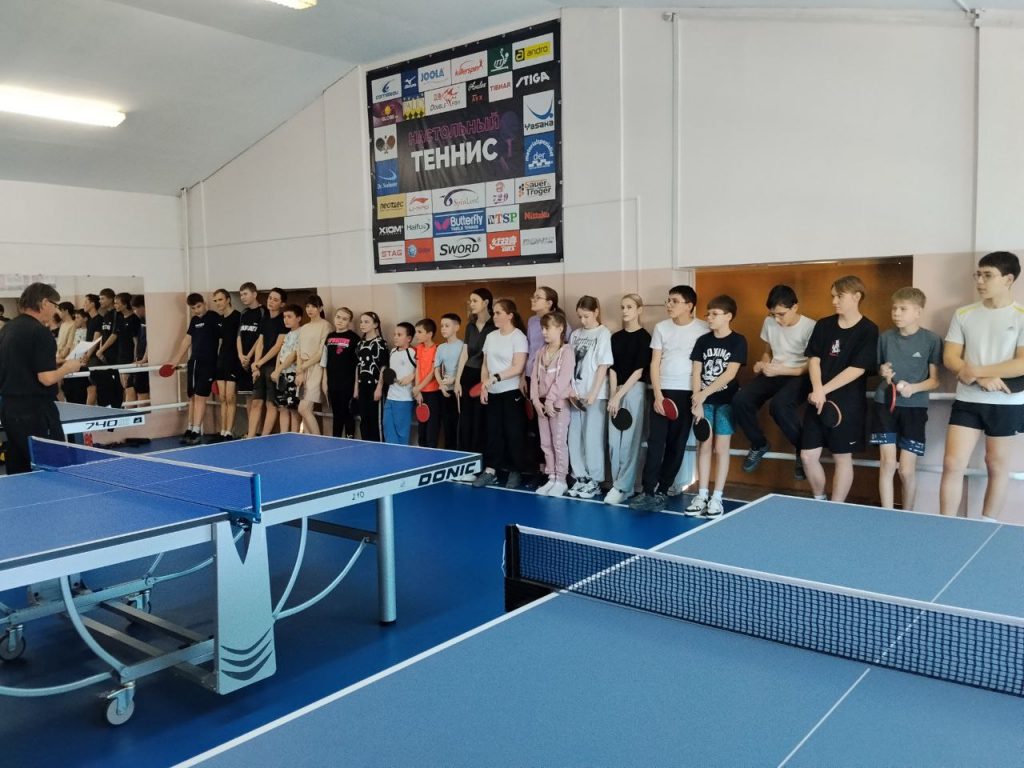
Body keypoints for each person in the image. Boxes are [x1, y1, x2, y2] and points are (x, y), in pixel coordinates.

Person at [940, 251, 1024, 520]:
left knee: (996, 465)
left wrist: (976, 371)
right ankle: (944, 524)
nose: (980, 281)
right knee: (952, 463)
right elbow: (950, 357)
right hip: (968, 399)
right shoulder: (964, 313)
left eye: (987, 275)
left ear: (1008, 279)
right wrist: (980, 378)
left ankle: (987, 525)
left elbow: (1021, 363)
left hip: (1006, 403)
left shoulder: (1021, 315)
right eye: (978, 274)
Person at [630, 285, 709, 513]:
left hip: (687, 393)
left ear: (689, 305)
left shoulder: (703, 329)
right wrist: (657, 395)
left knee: (677, 444)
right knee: (655, 443)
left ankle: (663, 491)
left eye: (675, 301)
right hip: (662, 392)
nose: (669, 305)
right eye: (668, 300)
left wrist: (698, 396)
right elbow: (654, 362)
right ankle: (648, 491)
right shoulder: (661, 327)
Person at [800, 275, 879, 503]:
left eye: (839, 296)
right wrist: (818, 389)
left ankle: (836, 507)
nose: (834, 301)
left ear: (856, 297)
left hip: (848, 404)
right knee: (807, 456)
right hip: (817, 399)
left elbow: (857, 369)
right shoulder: (824, 325)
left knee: (842, 458)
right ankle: (820, 500)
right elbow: (814, 359)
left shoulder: (868, 330)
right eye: (833, 296)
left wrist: (823, 390)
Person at [733, 285, 816, 480]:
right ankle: (759, 443)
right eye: (773, 314)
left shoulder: (810, 327)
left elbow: (811, 365)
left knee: (779, 406)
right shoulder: (769, 321)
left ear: (795, 307)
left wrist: (782, 370)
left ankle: (803, 450)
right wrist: (763, 363)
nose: (777, 319)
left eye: (781, 314)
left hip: (800, 375)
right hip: (774, 372)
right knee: (740, 400)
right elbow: (768, 351)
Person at [0, 284, 84, 474]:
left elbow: (22, 362)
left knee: (21, 467)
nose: (56, 311)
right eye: (55, 305)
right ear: (45, 302)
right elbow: (46, 378)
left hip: (9, 409)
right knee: (52, 467)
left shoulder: (7, 329)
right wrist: (68, 367)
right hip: (36, 411)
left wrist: (54, 362)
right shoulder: (40, 332)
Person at [870, 287, 941, 511]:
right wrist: (883, 371)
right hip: (885, 404)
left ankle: (908, 515)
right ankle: (887, 514)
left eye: (903, 309)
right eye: (894, 308)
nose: (896, 313)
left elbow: (935, 381)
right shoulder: (885, 338)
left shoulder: (931, 340)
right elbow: (879, 368)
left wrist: (913, 388)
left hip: (914, 408)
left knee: (906, 470)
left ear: (918, 312)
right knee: (888, 463)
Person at [685, 295, 748, 518]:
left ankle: (717, 497)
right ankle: (702, 494)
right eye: (708, 314)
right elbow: (696, 372)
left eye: (714, 314)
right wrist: (697, 400)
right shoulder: (703, 341)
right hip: (703, 403)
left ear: (728, 316)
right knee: (704, 447)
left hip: (726, 403)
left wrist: (703, 394)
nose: (709, 318)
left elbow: (730, 374)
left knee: (721, 449)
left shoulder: (738, 341)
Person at [474, 299, 529, 488]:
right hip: (493, 392)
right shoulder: (491, 336)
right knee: (493, 433)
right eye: (494, 312)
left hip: (511, 392)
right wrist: (484, 386)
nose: (494, 316)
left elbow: (518, 367)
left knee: (513, 433)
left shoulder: (518, 337)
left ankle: (516, 471)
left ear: (510, 315)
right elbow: (485, 365)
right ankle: (491, 470)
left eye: (498, 313)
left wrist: (496, 378)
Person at [605, 293, 651, 505]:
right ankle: (620, 485)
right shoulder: (615, 338)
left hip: (634, 390)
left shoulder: (645, 338)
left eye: (630, 307)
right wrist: (613, 395)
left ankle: (623, 486)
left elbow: (639, 371)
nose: (625, 311)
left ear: (639, 310)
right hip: (616, 391)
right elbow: (612, 369)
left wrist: (619, 395)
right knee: (613, 443)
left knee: (629, 443)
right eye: (622, 307)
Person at [566, 296, 613, 499]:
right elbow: (569, 363)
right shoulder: (575, 334)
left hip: (595, 394)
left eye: (586, 316)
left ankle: (594, 480)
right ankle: (580, 477)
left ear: (596, 312)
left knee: (592, 438)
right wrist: (571, 390)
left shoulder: (603, 333)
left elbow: (603, 365)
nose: (583, 320)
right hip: (575, 395)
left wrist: (593, 393)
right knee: (574, 437)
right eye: (580, 317)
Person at [165, 293, 221, 445]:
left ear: (204, 303)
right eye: (193, 308)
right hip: (194, 362)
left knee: (201, 397)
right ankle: (190, 428)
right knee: (193, 397)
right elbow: (187, 340)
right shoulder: (194, 320)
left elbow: (224, 339)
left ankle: (196, 430)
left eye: (198, 306)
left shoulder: (214, 317)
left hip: (209, 363)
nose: (197, 310)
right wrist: (175, 360)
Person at [531, 311, 575, 497]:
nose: (544, 332)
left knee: (558, 442)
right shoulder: (541, 352)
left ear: (560, 328)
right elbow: (534, 379)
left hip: (558, 405)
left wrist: (550, 400)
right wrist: (535, 401)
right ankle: (551, 477)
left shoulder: (567, 352)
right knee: (545, 443)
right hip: (542, 406)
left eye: (547, 328)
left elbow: (563, 378)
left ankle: (561, 480)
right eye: (542, 328)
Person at [454, 288, 494, 457]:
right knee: (466, 418)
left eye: (475, 300)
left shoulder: (494, 325)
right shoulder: (470, 326)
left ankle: (480, 457)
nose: (471, 304)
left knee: (480, 419)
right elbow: (464, 353)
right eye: (470, 301)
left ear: (486, 302)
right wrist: (457, 381)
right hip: (467, 375)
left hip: (484, 377)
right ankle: (465, 457)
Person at [251, 288, 288, 437]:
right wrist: (256, 365)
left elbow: (277, 346)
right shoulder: (264, 319)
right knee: (256, 402)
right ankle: (251, 436)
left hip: (273, 366)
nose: (271, 301)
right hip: (260, 366)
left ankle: (264, 436)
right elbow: (260, 343)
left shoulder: (283, 321)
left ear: (282, 304)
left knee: (270, 403)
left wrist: (260, 362)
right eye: (270, 298)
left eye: (275, 300)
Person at [321, 307, 360, 438]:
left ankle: (350, 440)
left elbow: (357, 365)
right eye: (338, 317)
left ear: (349, 321)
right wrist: (325, 381)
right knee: (336, 414)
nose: (340, 321)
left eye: (344, 319)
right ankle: (336, 439)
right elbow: (325, 361)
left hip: (347, 383)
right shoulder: (330, 337)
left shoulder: (354, 338)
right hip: (333, 383)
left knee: (347, 413)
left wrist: (356, 386)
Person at [295, 295, 330, 435]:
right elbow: (299, 350)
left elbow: (321, 353)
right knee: (305, 410)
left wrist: (303, 367)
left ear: (320, 308)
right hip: (302, 368)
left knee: (303, 408)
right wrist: (299, 370)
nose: (310, 309)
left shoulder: (326, 326)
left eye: (313, 306)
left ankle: (318, 440)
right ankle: (311, 440)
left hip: (316, 369)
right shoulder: (304, 327)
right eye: (307, 306)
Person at [211, 288, 242, 440]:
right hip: (221, 361)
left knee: (230, 397)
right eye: (215, 301)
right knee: (222, 397)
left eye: (220, 299)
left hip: (233, 360)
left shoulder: (238, 317)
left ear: (228, 299)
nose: (218, 303)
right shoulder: (219, 320)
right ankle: (222, 430)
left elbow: (240, 340)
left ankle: (229, 431)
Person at [353, 311, 389, 442]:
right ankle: (366, 445)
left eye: (366, 322)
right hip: (362, 386)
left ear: (375, 324)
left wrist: (379, 387)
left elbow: (384, 367)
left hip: (375, 385)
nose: (362, 324)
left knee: (375, 420)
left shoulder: (381, 343)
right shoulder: (360, 344)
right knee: (364, 419)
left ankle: (379, 446)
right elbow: (358, 366)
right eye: (361, 322)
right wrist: (356, 388)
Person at [270, 304, 303, 433]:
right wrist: (277, 370)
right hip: (282, 374)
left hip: (292, 374)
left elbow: (293, 355)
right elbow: (281, 353)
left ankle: (294, 436)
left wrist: (279, 370)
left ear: (298, 318)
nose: (286, 320)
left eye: (289, 316)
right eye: (284, 317)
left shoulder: (301, 333)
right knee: (282, 407)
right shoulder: (288, 334)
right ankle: (284, 435)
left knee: (293, 407)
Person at [236, 282, 264, 436]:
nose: (242, 297)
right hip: (243, 361)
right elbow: (239, 336)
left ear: (254, 294)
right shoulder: (244, 313)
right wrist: (241, 355)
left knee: (257, 398)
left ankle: (258, 432)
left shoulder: (262, 312)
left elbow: (260, 337)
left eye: (245, 294)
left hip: (255, 361)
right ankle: (251, 430)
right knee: (248, 396)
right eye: (241, 295)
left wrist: (250, 355)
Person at [433, 313, 464, 450]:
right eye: (442, 326)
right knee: (447, 425)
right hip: (445, 391)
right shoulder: (441, 348)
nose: (443, 329)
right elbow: (436, 368)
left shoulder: (463, 346)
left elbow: (465, 368)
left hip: (459, 390)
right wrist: (441, 384)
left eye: (447, 326)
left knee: (459, 424)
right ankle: (450, 452)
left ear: (456, 327)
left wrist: (455, 379)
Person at [382, 322, 417, 445]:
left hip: (404, 400)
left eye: (399, 335)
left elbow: (424, 369)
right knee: (388, 430)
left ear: (409, 338)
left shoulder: (413, 352)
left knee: (401, 434)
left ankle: (402, 455)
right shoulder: (393, 351)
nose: (395, 337)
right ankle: (391, 455)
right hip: (390, 398)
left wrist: (411, 376)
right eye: (394, 334)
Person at [412, 318, 441, 447]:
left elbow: (433, 373)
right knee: (421, 429)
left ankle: (432, 453)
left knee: (432, 428)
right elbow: (417, 369)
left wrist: (419, 388)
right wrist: (418, 390)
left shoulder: (437, 349)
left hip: (433, 393)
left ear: (429, 334)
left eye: (419, 332)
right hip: (420, 393)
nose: (416, 335)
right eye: (416, 332)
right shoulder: (419, 348)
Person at [92, 288, 124, 408]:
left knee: (117, 383)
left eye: (102, 298)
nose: (100, 301)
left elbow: (114, 335)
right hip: (104, 354)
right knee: (104, 382)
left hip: (114, 354)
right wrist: (100, 350)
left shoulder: (116, 314)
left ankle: (117, 407)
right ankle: (107, 406)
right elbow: (104, 335)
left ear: (111, 299)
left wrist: (101, 350)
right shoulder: (105, 315)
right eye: (99, 298)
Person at [114, 293, 140, 405]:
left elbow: (136, 341)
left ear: (125, 304)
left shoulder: (134, 319)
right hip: (121, 355)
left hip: (129, 356)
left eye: (117, 303)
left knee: (129, 385)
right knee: (124, 385)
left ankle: (130, 409)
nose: (115, 305)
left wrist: (135, 357)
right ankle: (127, 406)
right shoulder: (120, 318)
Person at [62, 308, 90, 404]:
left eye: (78, 317)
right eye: (75, 317)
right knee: (69, 389)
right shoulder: (76, 331)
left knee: (79, 391)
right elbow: (73, 347)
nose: (76, 320)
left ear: (85, 319)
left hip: (81, 364)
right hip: (72, 362)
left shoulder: (88, 331)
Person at [129, 296, 149, 405]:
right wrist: (136, 357)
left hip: (145, 361)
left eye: (135, 309)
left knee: (142, 391)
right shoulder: (141, 320)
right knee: (133, 388)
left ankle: (144, 414)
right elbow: (138, 341)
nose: (134, 312)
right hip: (139, 358)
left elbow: (150, 341)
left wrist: (144, 359)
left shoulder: (151, 319)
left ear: (142, 307)